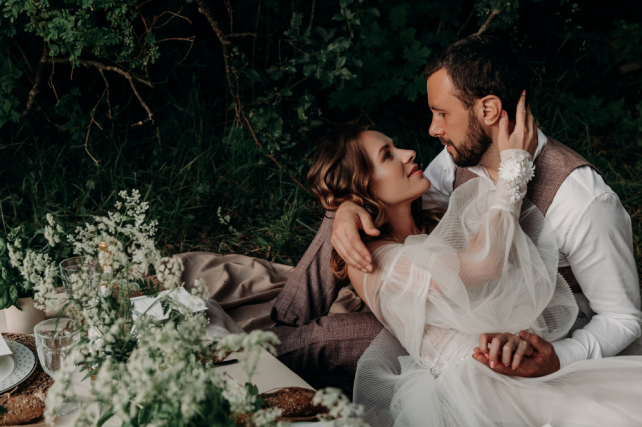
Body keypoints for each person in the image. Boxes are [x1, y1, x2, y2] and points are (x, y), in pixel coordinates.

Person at [306, 95, 642, 426]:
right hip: (478, 391)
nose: (409, 153)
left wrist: (346, 208)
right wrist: (514, 170)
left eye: (395, 147)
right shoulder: (371, 262)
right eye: (388, 155)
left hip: (514, 360)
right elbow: (483, 265)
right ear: (363, 186)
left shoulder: (430, 213)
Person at [329, 34, 642, 380]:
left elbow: (623, 318)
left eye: (442, 113)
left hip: (545, 346)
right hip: (450, 330)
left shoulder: (582, 201)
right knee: (348, 237)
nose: (433, 129)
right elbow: (396, 210)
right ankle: (292, 313)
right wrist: (346, 209)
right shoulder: (454, 161)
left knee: (330, 337)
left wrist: (558, 359)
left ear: (488, 110)